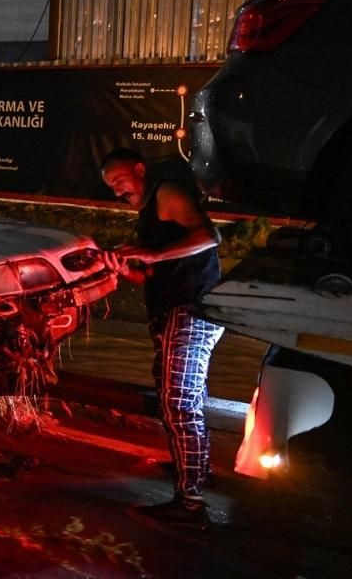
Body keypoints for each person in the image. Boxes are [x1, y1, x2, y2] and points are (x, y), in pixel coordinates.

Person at [99, 148, 224, 529]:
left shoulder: (167, 193)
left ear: (139, 169)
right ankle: (193, 474)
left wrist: (151, 256)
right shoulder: (149, 213)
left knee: (179, 405)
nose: (117, 191)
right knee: (183, 401)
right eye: (111, 187)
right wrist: (129, 269)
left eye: (120, 181)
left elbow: (209, 236)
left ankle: (190, 505)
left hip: (191, 309)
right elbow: (158, 270)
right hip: (175, 311)